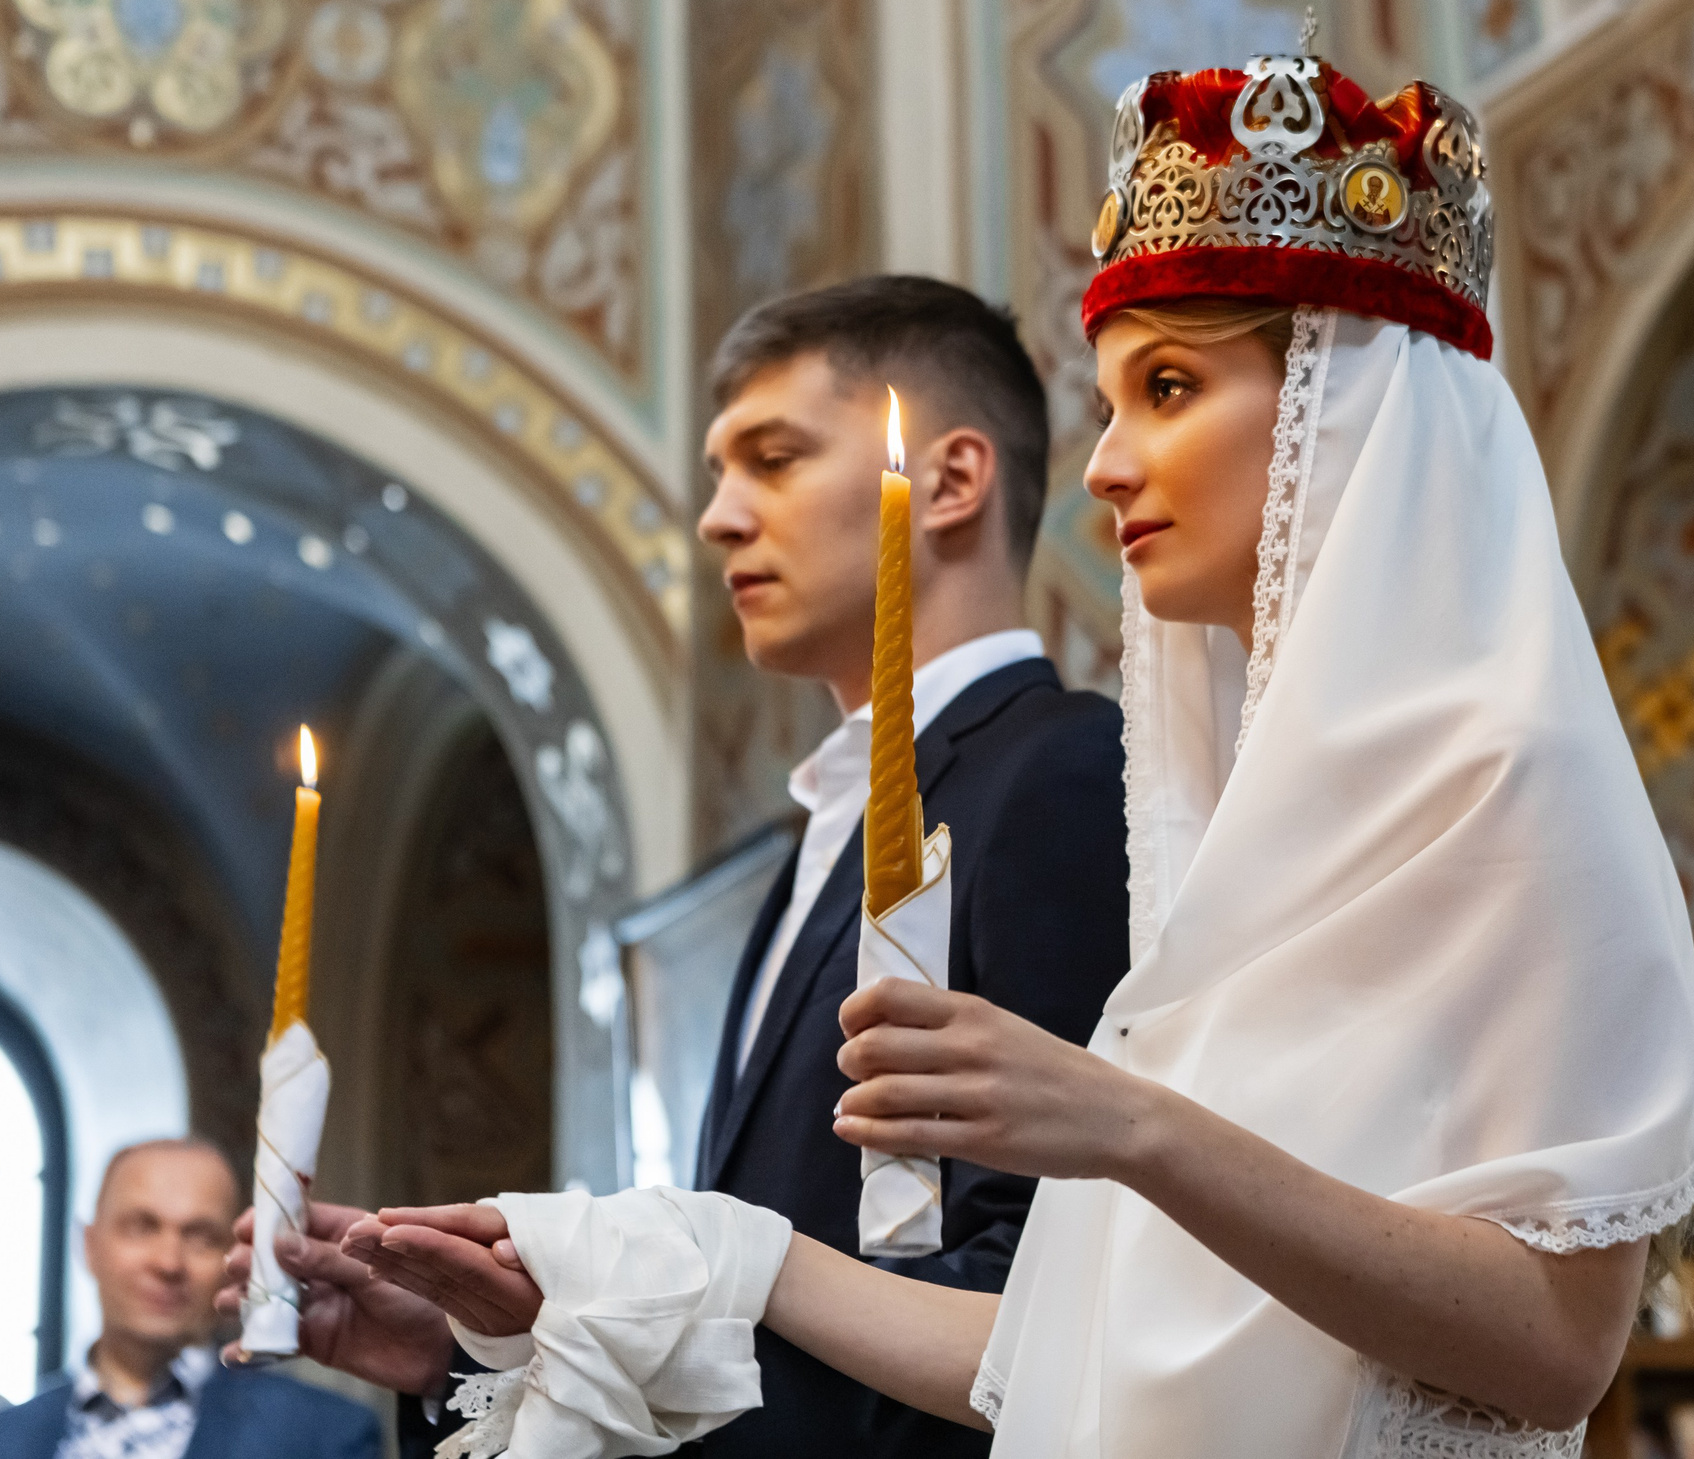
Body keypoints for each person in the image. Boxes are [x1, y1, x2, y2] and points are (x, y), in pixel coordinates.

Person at [310, 45, 1694, 1457]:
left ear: (1339, 408)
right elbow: (1056, 1351)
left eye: (1169, 386)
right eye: (1112, 401)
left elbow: (1557, 1344)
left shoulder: (1507, 774)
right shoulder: (1227, 834)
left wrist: (1133, 1125)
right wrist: (698, 1261)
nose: (1107, 463)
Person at [232, 275, 1132, 1459]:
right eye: (718, 473)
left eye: (773, 457)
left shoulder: (1055, 776)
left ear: (951, 480)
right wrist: (477, 1352)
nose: (718, 515)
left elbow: (1046, 1282)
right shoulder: (818, 832)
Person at [0, 1139, 373, 1459]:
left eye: (201, 1237)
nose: (169, 1262)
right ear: (90, 1245)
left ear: (235, 1259)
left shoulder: (323, 1437)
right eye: (141, 1227)